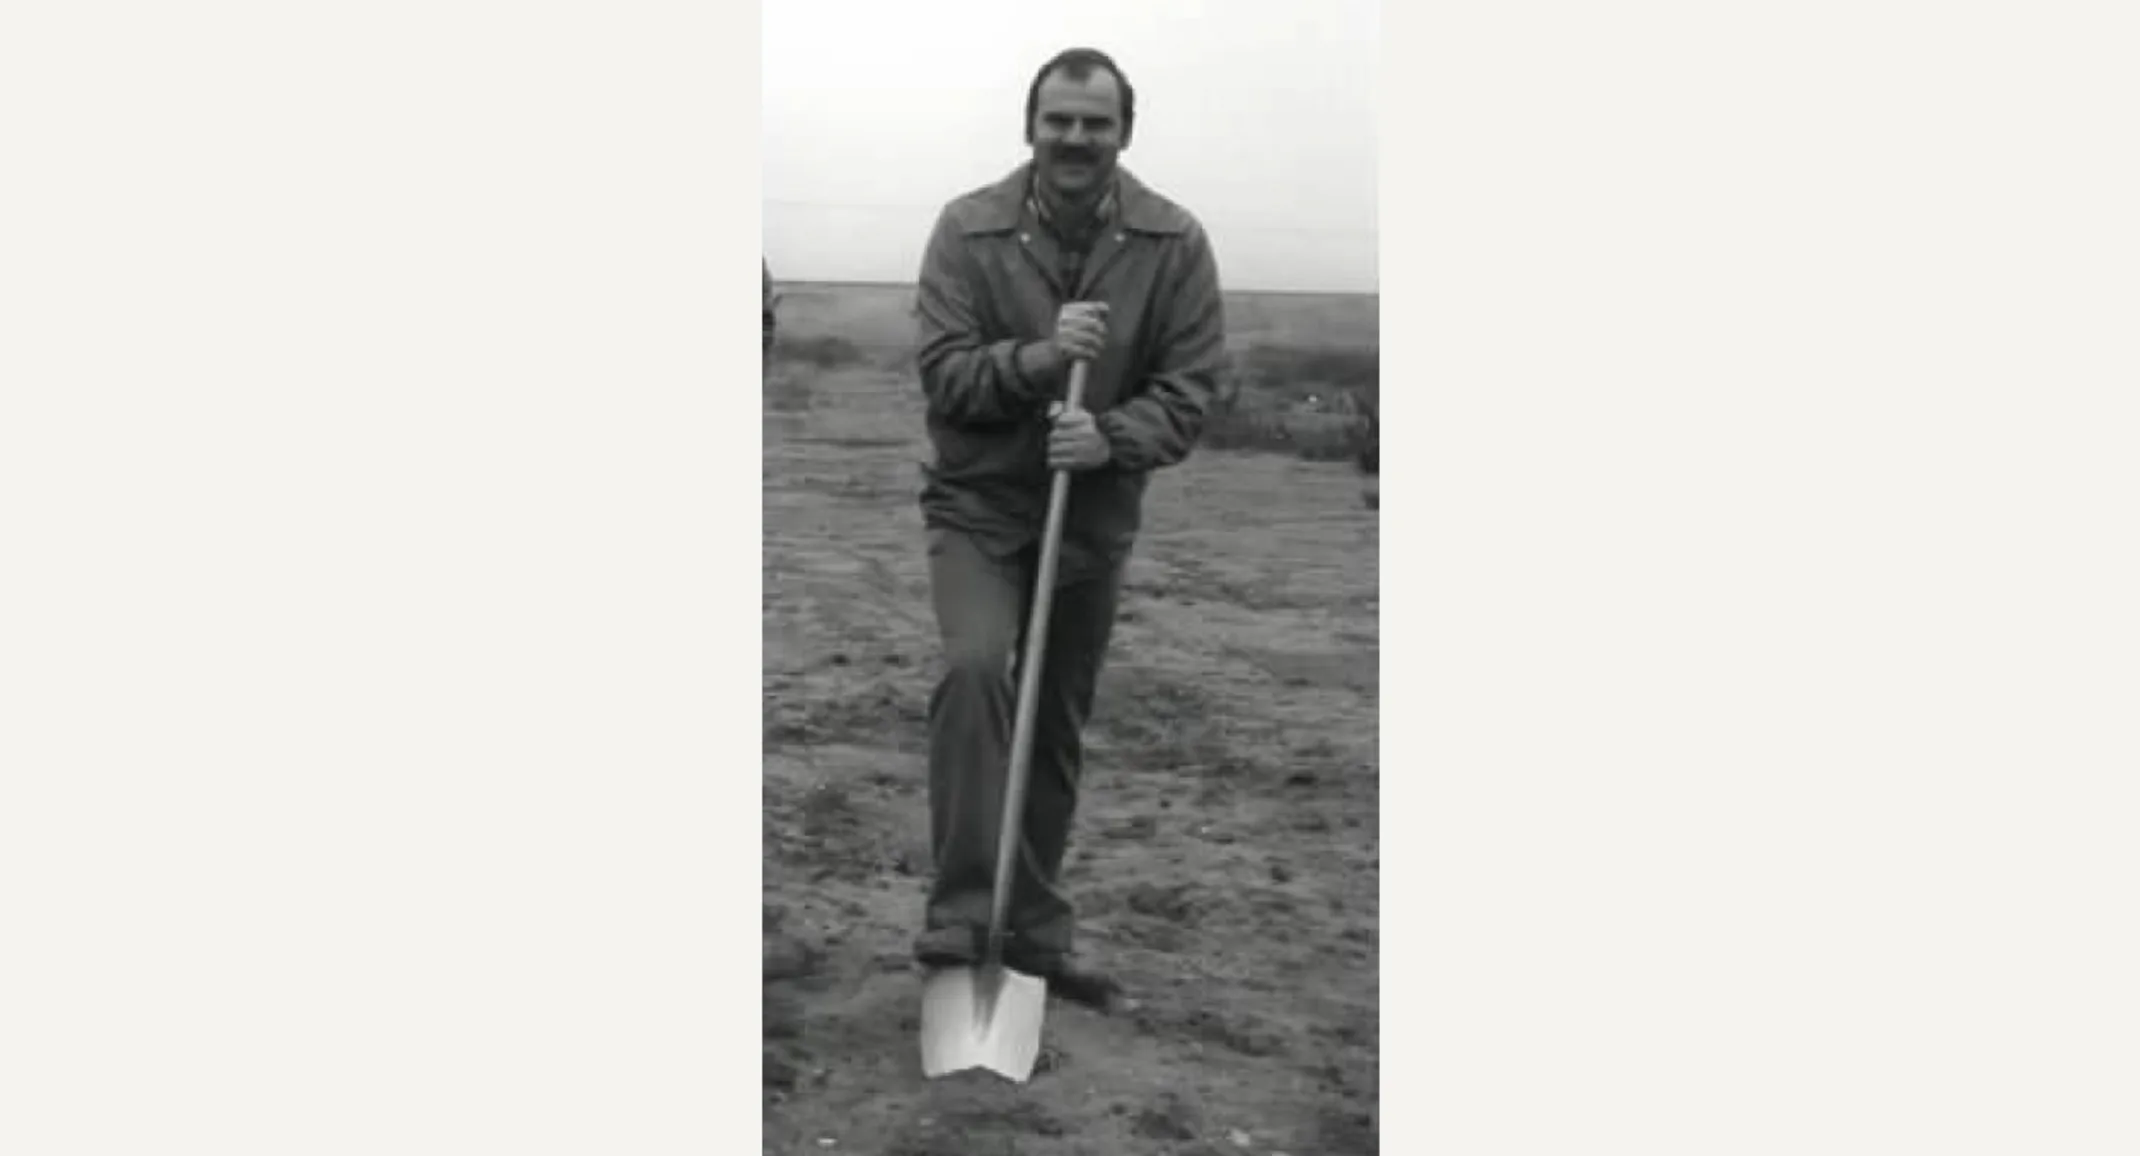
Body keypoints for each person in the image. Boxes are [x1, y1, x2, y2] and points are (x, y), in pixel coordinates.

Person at [908, 46, 1227, 1010]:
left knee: (1053, 724)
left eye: (1096, 122)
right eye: (1060, 120)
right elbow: (947, 374)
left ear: (1123, 130)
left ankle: (1035, 936)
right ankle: (964, 919)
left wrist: (1112, 437)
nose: (1076, 139)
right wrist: (1047, 360)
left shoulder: (1173, 243)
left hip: (1090, 520)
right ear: (1031, 127)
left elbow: (1191, 388)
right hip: (979, 508)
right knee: (975, 673)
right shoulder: (968, 231)